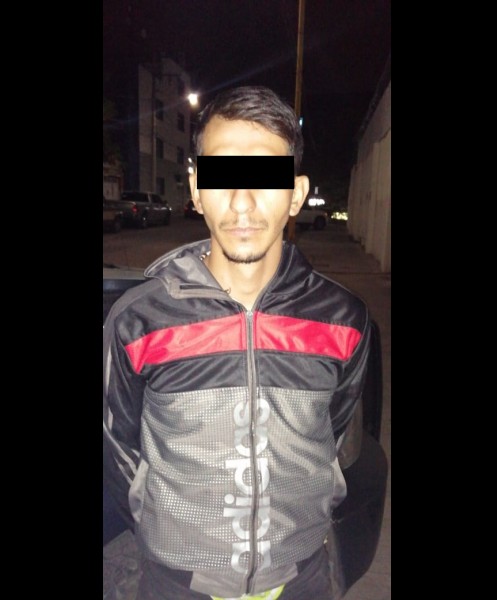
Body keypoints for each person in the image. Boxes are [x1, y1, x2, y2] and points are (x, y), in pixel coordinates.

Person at [103, 85, 371, 600]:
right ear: (196, 188)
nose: (242, 202)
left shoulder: (344, 320)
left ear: (296, 193)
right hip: (176, 583)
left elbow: (333, 434)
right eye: (222, 176)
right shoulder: (138, 322)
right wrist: (170, 539)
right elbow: (119, 453)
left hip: (302, 579)